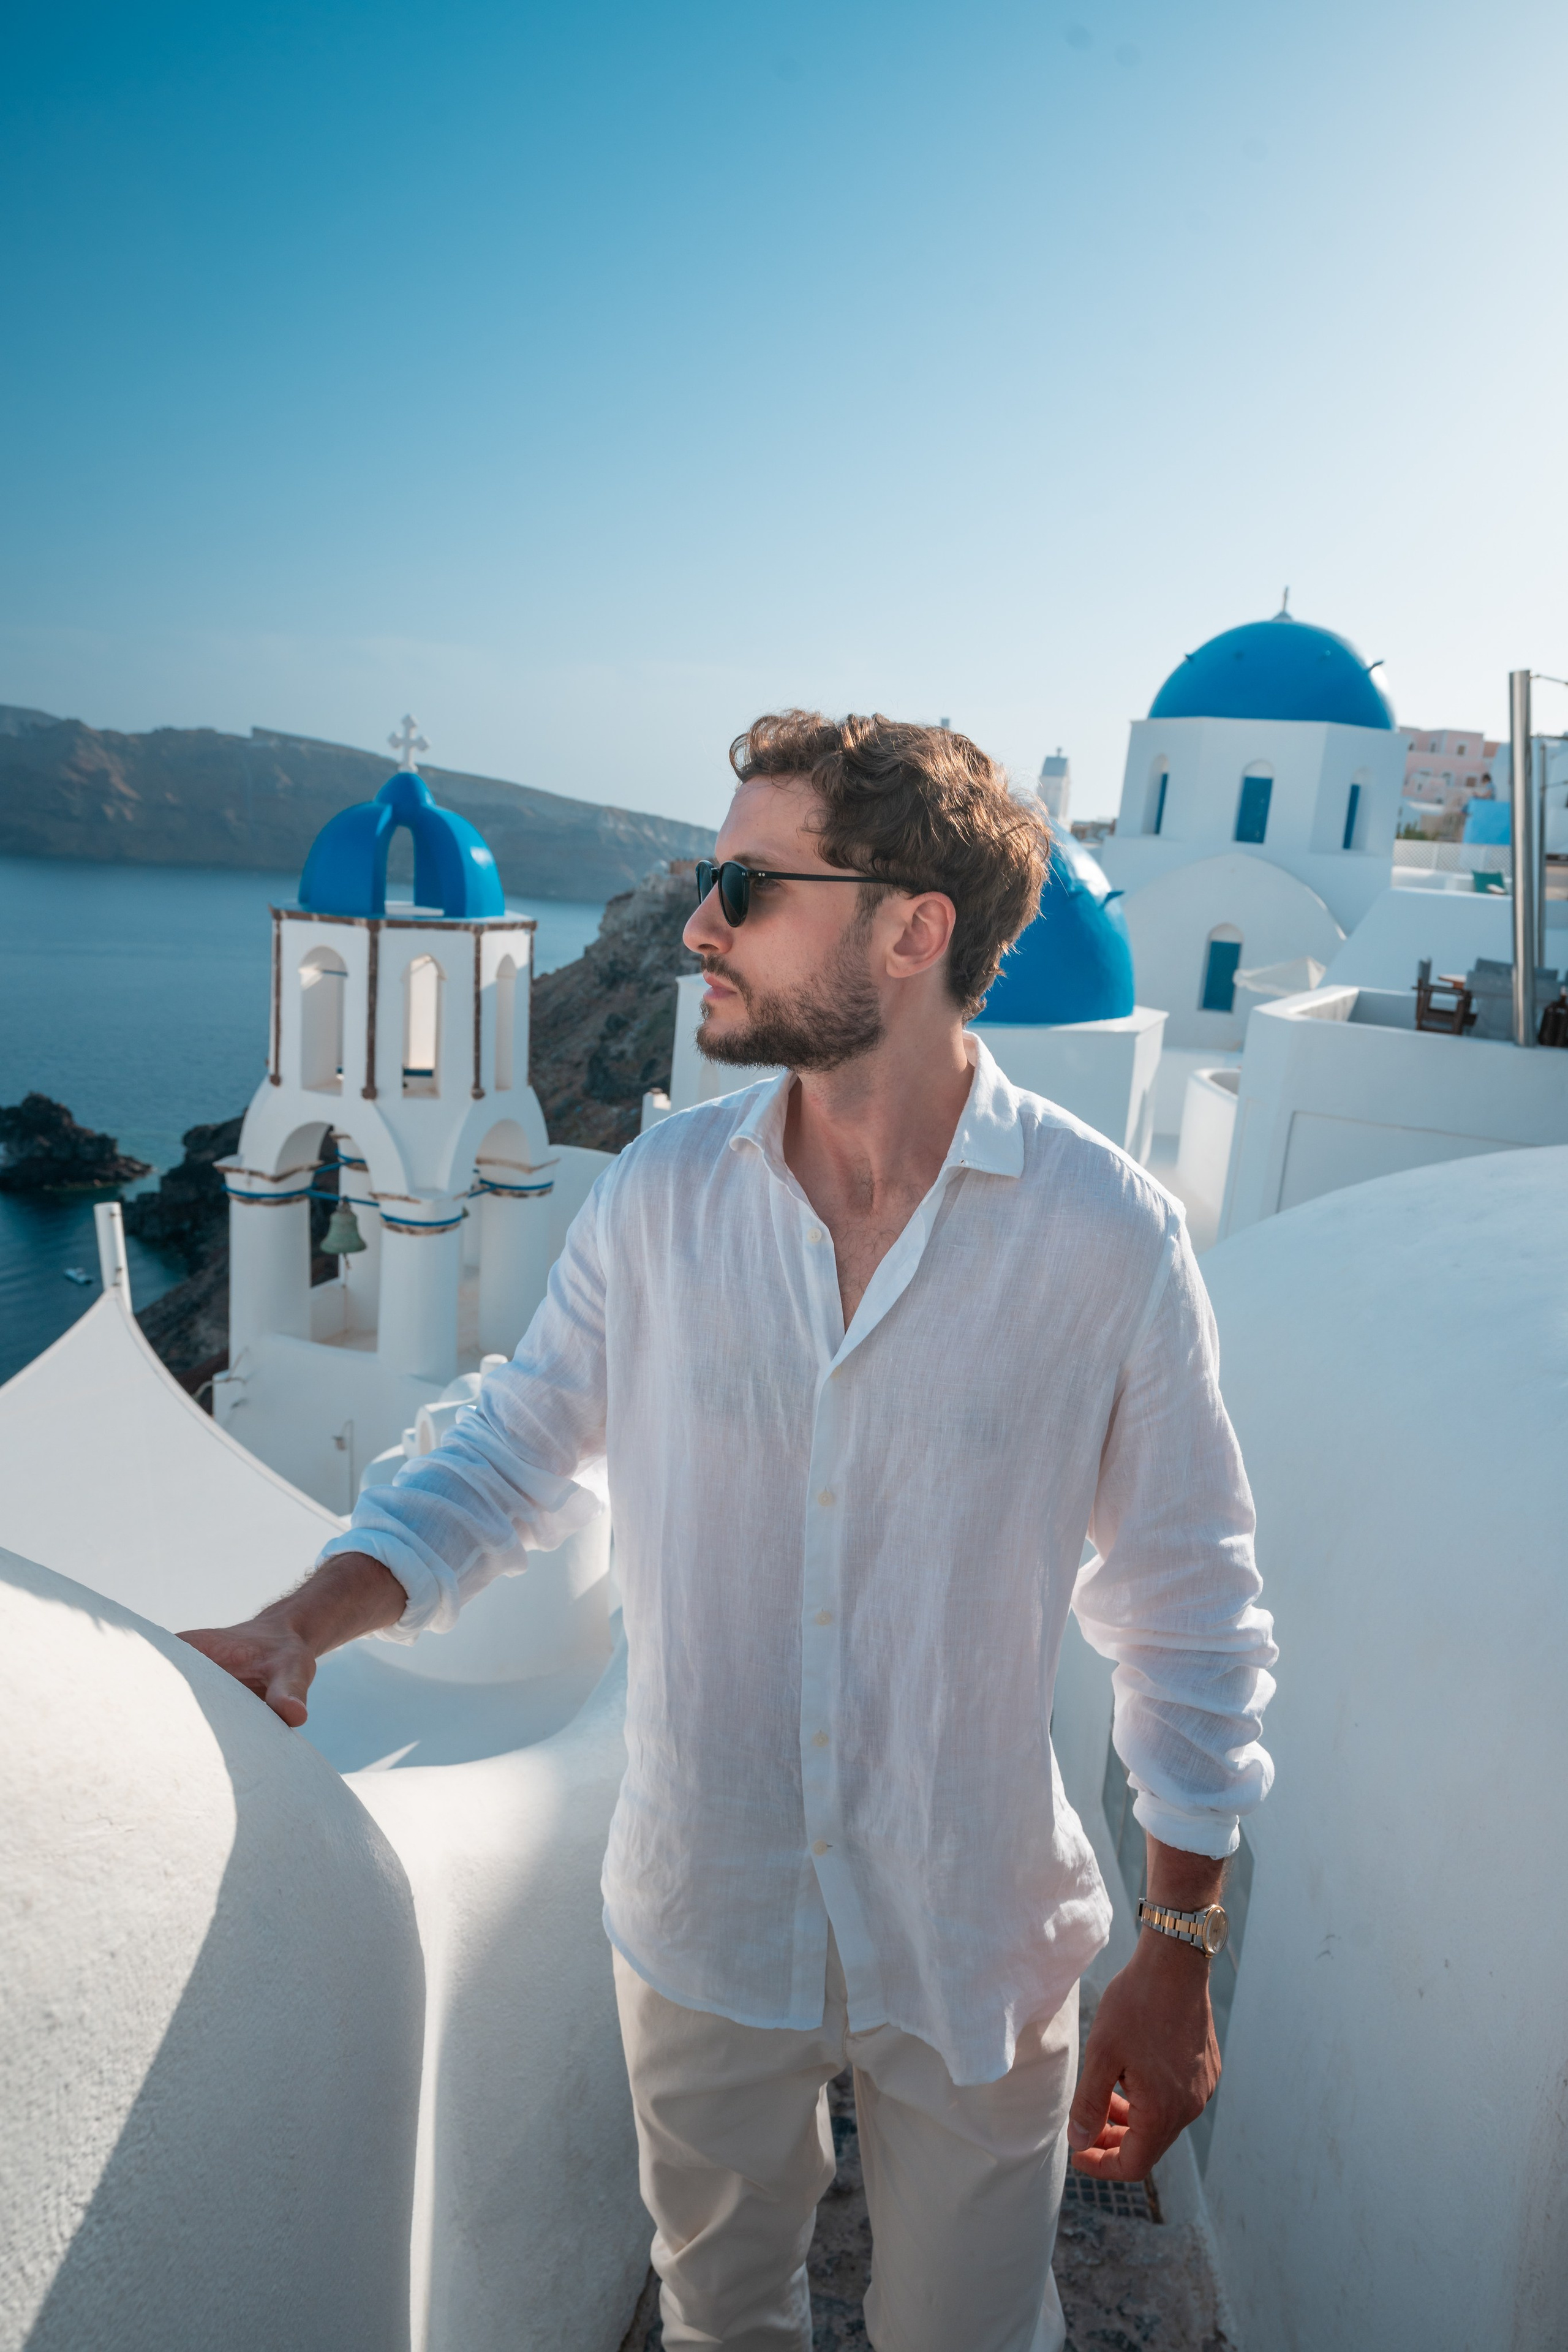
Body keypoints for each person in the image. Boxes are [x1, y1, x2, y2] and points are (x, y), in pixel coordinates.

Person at [183, 711, 1276, 2352]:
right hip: (705, 1919)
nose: (699, 922)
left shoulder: (1105, 1240)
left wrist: (1177, 1959)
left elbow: (1189, 1616)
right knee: (717, 2320)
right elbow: (506, 1458)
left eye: (746, 886)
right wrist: (302, 1622)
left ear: (911, 932)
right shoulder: (658, 1202)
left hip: (975, 1939)